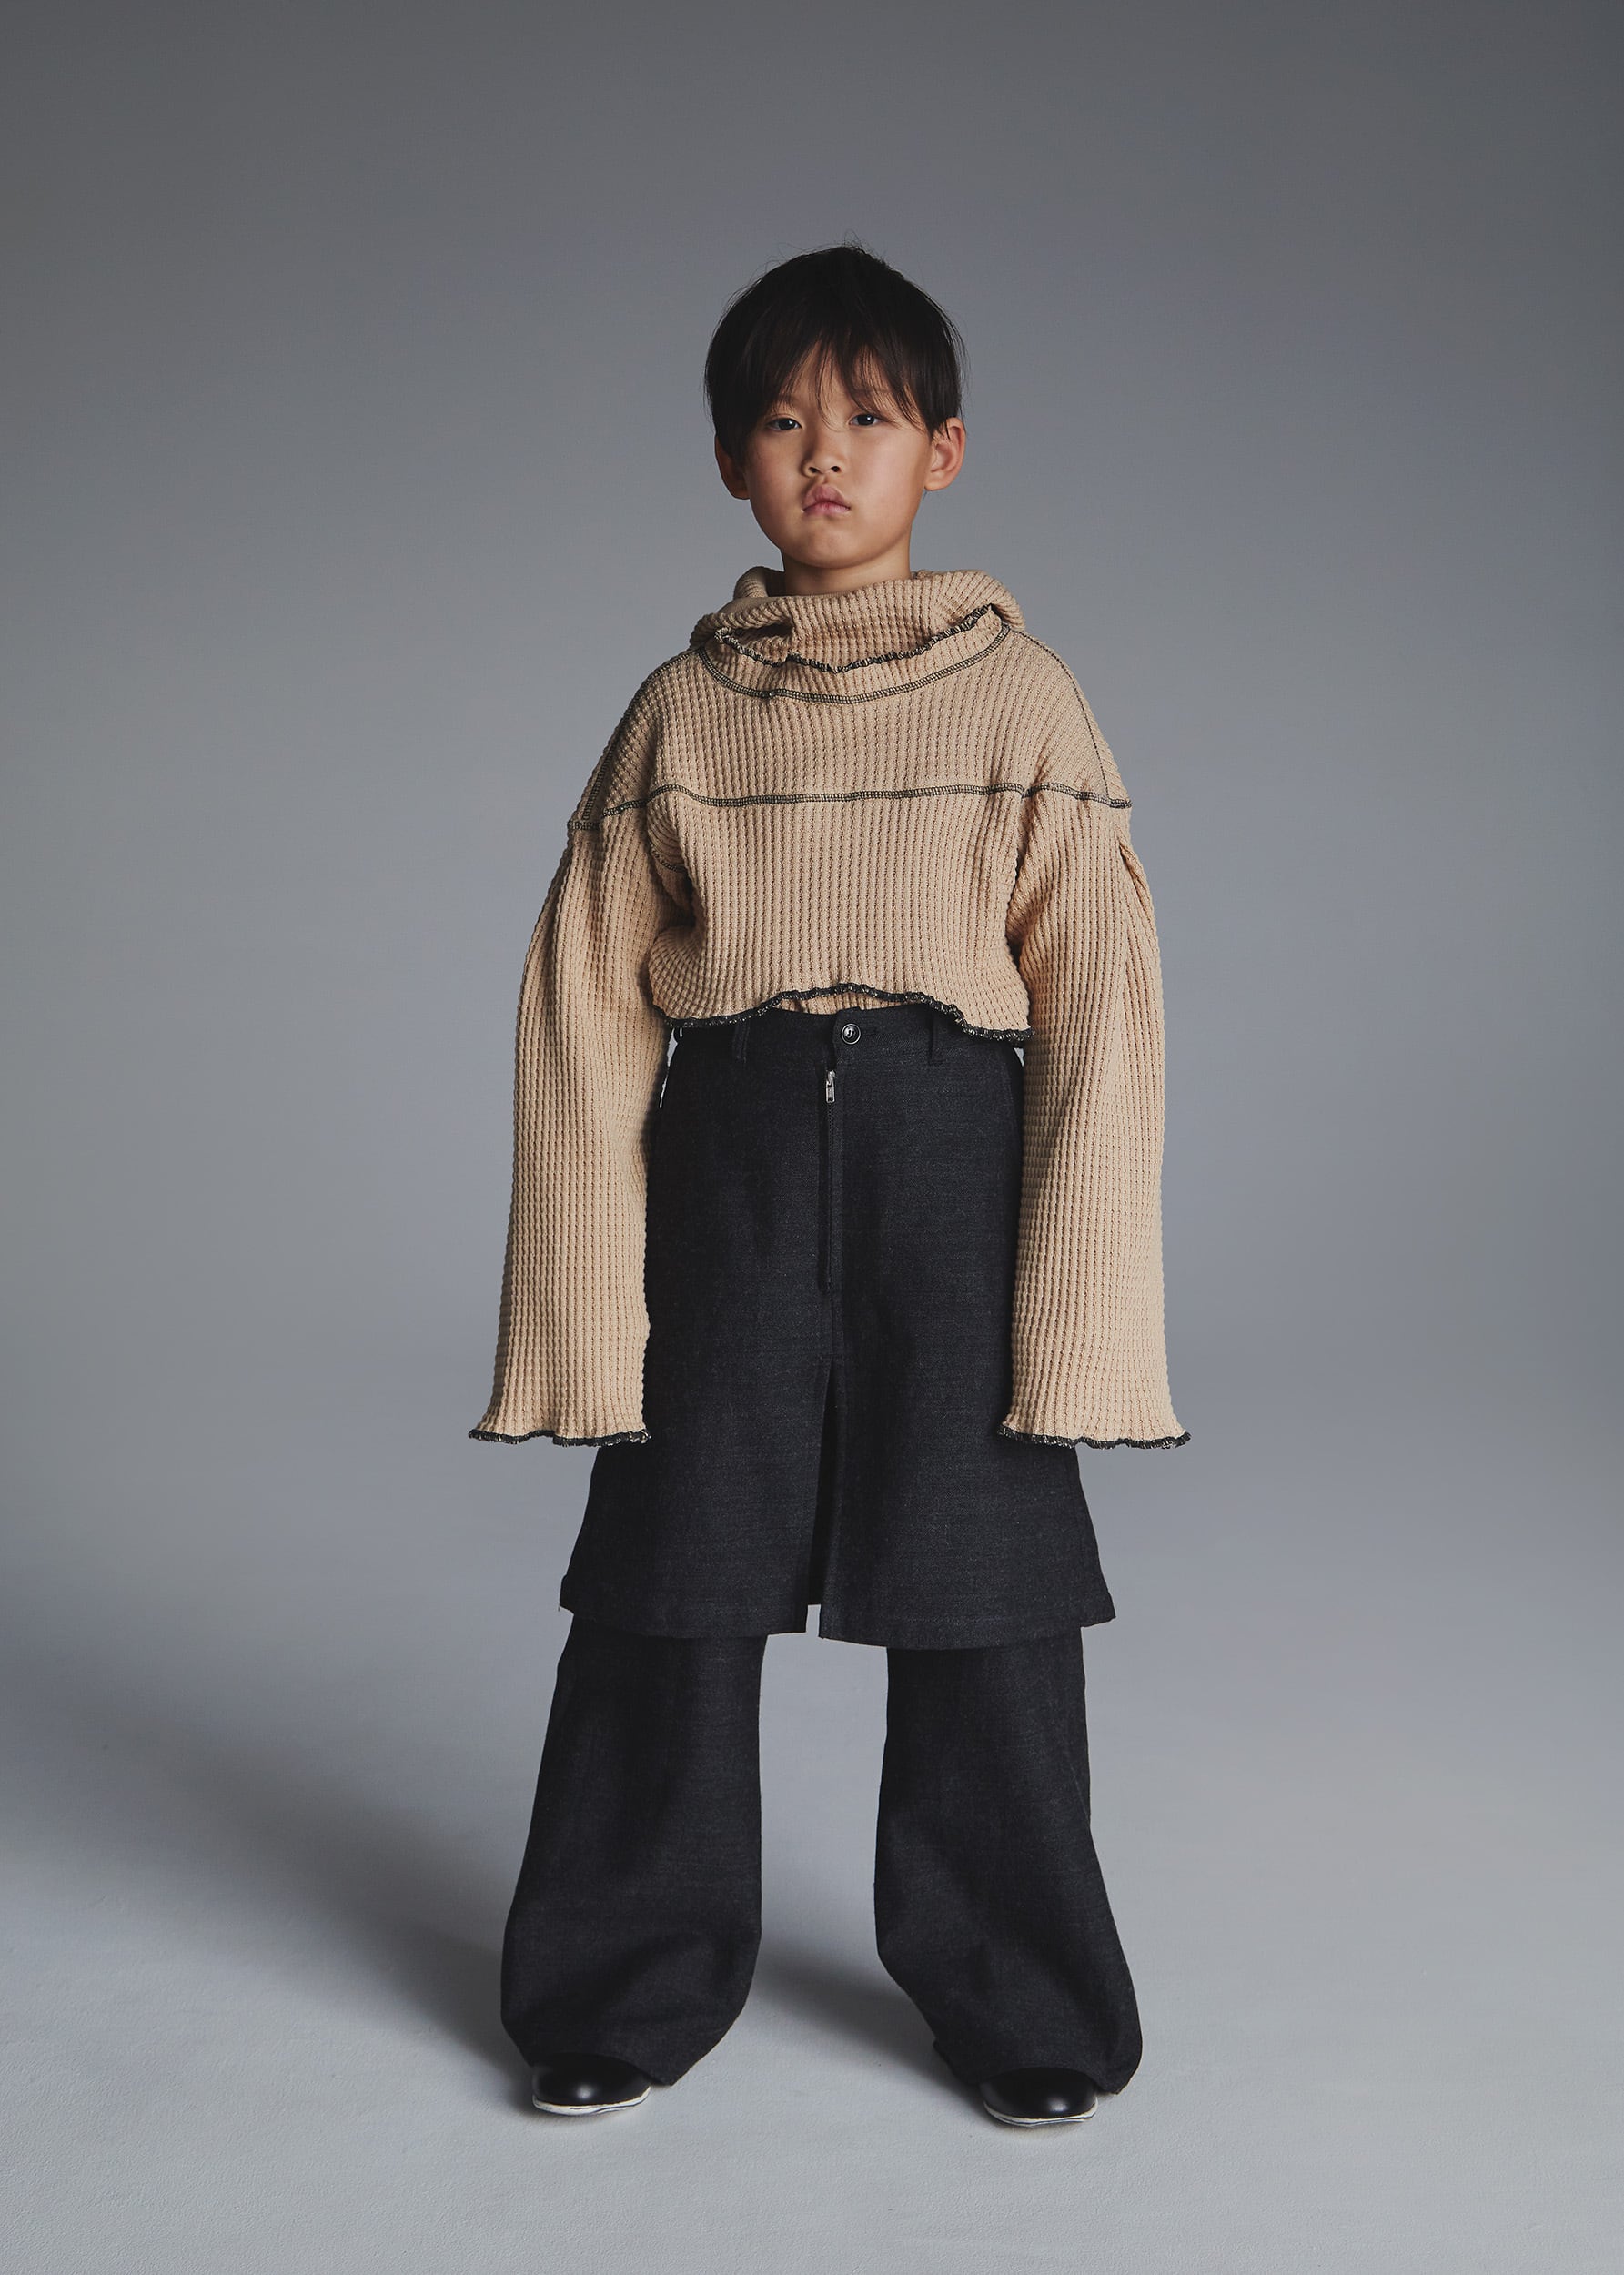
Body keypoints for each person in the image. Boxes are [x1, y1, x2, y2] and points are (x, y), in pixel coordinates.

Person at [469, 239, 1187, 2128]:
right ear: (728, 463)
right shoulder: (680, 711)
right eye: (780, 422)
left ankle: (1023, 2002)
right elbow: (580, 1006)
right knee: (670, 1575)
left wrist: (1082, 1311)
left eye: (866, 417)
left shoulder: (1022, 698)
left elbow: (1100, 1006)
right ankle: (614, 1988)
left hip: (958, 1155)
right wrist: (580, 1308)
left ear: (941, 450)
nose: (823, 454)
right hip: (729, 1154)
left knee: (985, 1587)